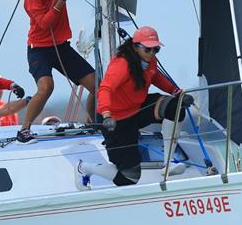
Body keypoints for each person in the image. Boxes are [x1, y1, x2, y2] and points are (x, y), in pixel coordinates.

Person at [77, 27, 194, 187]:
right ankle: (85, 167)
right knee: (129, 178)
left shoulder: (149, 61)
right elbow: (105, 89)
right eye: (148, 49)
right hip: (115, 121)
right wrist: (106, 114)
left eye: (156, 49)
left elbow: (157, 78)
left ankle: (169, 164)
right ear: (135, 47)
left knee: (174, 106)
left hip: (137, 109)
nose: (152, 53)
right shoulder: (122, 64)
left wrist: (178, 93)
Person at [16, 0, 96, 143]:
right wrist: (60, 1)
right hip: (39, 50)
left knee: (97, 85)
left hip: (60, 46)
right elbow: (44, 24)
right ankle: (24, 129)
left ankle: (93, 122)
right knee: (46, 87)